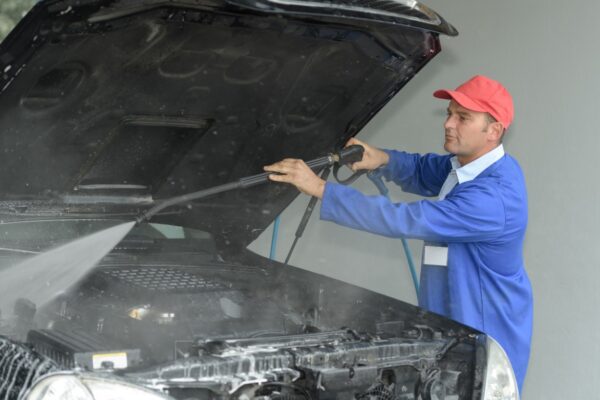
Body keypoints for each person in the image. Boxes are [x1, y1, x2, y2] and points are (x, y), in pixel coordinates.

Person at [264, 75, 533, 392]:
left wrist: (322, 189)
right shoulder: (470, 166)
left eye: (463, 118)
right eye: (449, 113)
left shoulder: (492, 199)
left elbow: (402, 219)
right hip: (447, 323)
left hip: (483, 335)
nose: (448, 124)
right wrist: (382, 159)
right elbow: (424, 169)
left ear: (494, 130)